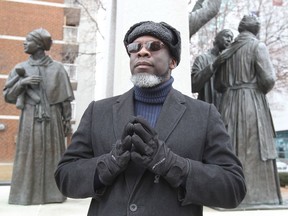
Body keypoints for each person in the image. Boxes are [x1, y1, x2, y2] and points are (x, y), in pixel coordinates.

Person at [55, 21, 246, 215]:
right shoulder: (98, 111)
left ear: (173, 61)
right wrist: (108, 164)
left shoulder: (204, 115)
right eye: (135, 47)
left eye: (154, 46)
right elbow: (65, 176)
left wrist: (172, 164)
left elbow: (233, 187)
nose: (142, 52)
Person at [214, 15, 282, 206]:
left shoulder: (227, 52)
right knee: (254, 148)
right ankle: (259, 198)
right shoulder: (257, 46)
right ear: (256, 30)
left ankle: (227, 198)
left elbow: (218, 85)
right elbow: (268, 80)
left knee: (229, 149)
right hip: (251, 105)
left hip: (227, 104)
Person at [3, 28, 74, 205]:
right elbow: (8, 96)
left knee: (53, 155)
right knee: (28, 155)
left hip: (52, 118)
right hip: (29, 116)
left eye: (28, 40)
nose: (24, 43)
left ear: (40, 44)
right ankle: (25, 195)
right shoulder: (20, 68)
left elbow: (64, 101)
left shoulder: (57, 69)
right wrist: (22, 83)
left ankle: (53, 193)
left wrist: (67, 121)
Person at [191, 29, 234, 109]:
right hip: (206, 111)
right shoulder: (202, 59)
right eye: (227, 36)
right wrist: (213, 66)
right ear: (217, 38)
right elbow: (193, 86)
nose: (229, 40)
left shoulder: (230, 63)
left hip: (225, 112)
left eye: (231, 38)